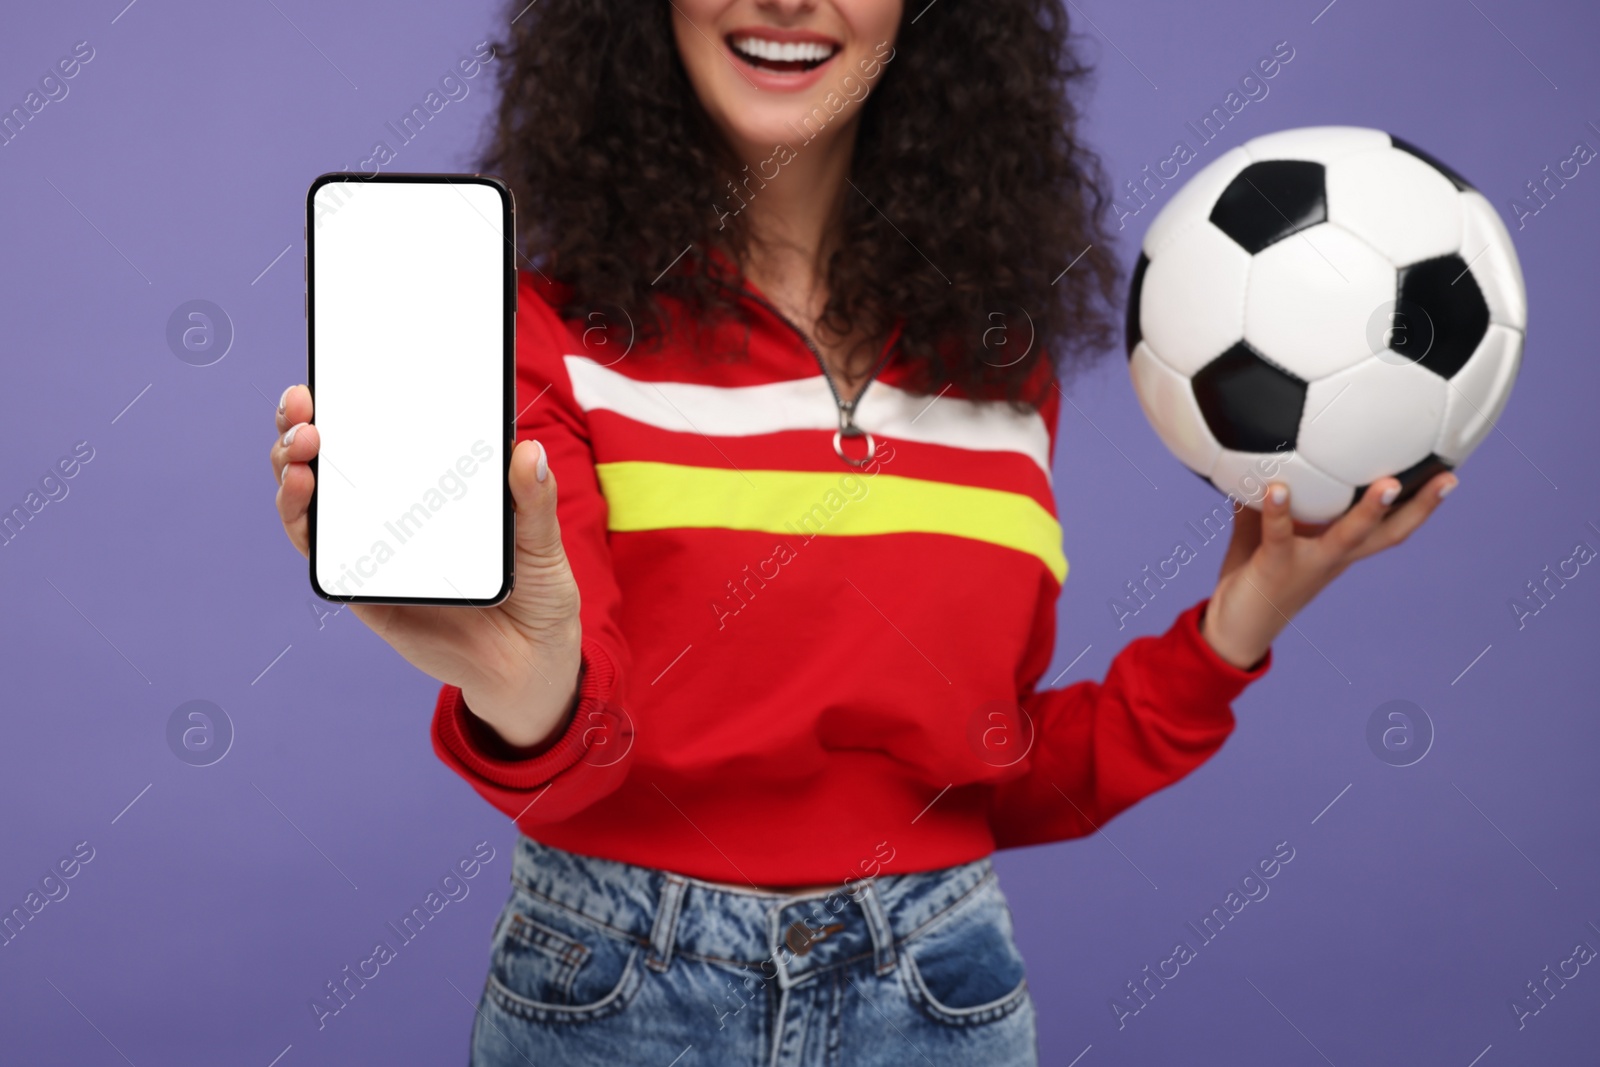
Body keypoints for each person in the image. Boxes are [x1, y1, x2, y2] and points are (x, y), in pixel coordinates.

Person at [268, 1, 1456, 1062]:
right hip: (619, 990)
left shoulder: (998, 372)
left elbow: (1002, 775)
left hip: (940, 992)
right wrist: (518, 687)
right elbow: (582, 741)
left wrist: (1238, 623)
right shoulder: (542, 339)